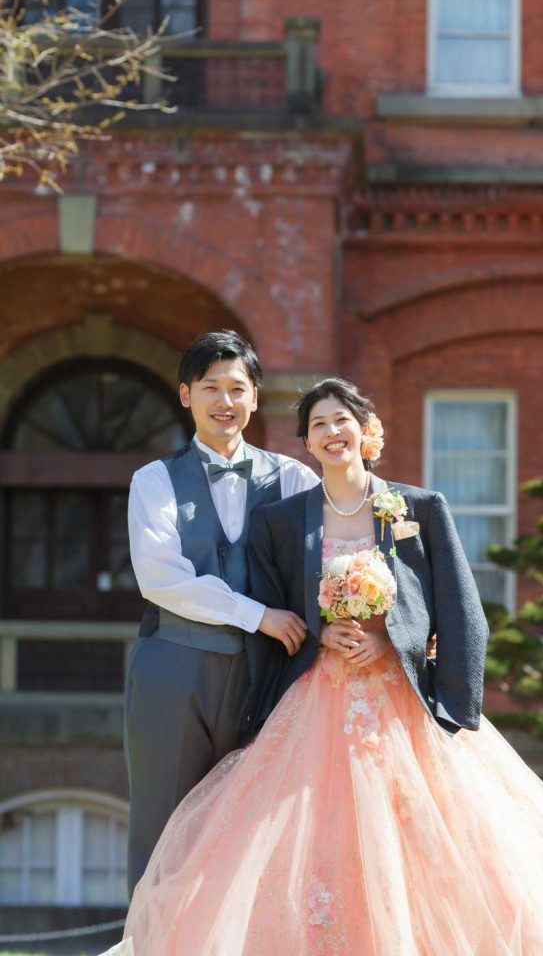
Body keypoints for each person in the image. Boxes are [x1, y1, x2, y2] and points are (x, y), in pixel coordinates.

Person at [109, 379, 543, 955]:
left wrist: (397, 649)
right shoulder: (281, 521)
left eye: (342, 420)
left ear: (367, 430)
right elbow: (276, 607)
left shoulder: (419, 508)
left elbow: (460, 609)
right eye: (318, 425)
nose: (332, 432)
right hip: (316, 701)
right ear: (306, 443)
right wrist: (320, 634)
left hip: (402, 701)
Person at [124, 330, 317, 896]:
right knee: (163, 829)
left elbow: (334, 557)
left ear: (255, 396)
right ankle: (153, 938)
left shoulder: (294, 479)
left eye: (237, 388)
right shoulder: (154, 480)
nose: (224, 401)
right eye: (210, 387)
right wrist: (257, 614)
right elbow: (160, 578)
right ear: (186, 395)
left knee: (254, 831)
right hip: (173, 670)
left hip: (268, 676)